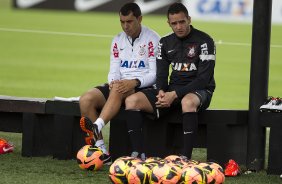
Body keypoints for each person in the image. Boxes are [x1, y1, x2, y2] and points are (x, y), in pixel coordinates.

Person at [124, 2, 216, 159]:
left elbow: (203, 79)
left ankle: (185, 157)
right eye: (174, 23)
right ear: (169, 23)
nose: (179, 26)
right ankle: (138, 154)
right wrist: (161, 92)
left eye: (182, 22)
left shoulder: (205, 41)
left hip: (199, 90)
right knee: (132, 101)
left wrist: (174, 94)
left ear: (189, 19)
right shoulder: (165, 42)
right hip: (172, 90)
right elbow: (161, 74)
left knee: (187, 102)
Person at [79, 2, 160, 163]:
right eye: (122, 22)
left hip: (143, 87)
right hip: (120, 86)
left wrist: (135, 82)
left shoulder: (153, 39)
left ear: (140, 19)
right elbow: (114, 69)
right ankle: (102, 151)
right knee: (86, 99)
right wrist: (112, 81)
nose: (125, 26)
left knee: (119, 88)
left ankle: (97, 126)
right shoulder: (117, 40)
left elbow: (154, 74)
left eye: (129, 22)